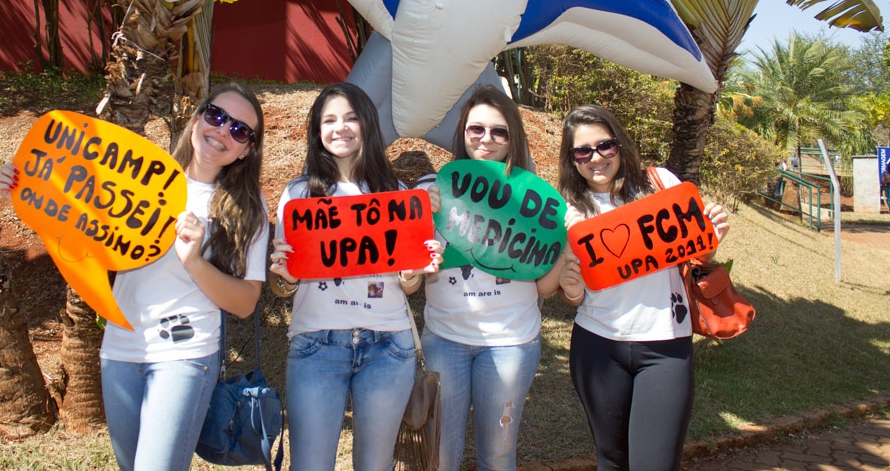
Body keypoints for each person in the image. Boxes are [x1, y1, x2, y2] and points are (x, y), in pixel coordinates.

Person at [0, 83, 270, 471]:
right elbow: (75, 228)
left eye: (240, 130)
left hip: (185, 352)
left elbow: (245, 303)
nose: (223, 131)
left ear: (247, 149)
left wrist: (194, 261)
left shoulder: (248, 206)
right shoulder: (137, 177)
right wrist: (25, 190)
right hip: (121, 348)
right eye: (216, 116)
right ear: (196, 119)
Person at [268, 82, 443, 471]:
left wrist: (413, 273)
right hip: (316, 344)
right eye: (328, 120)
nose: (340, 128)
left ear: (366, 124)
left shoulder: (396, 194)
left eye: (349, 118)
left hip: (388, 346)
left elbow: (409, 284)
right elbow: (282, 286)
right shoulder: (299, 196)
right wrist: (286, 276)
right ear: (317, 132)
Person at [555, 104, 730, 471]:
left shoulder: (660, 184)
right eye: (582, 151)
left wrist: (712, 238)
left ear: (620, 144)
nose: (596, 158)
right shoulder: (567, 212)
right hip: (597, 345)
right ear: (572, 160)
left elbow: (698, 253)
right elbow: (574, 294)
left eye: (605, 145)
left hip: (666, 347)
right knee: (612, 461)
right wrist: (570, 289)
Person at [415, 85, 578, 471]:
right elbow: (410, 273)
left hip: (510, 344)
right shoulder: (432, 189)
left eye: (498, 131)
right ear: (463, 133)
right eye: (476, 130)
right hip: (444, 340)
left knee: (499, 457)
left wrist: (567, 243)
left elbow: (542, 287)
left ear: (513, 137)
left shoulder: (536, 202)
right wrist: (421, 214)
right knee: (439, 457)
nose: (486, 139)